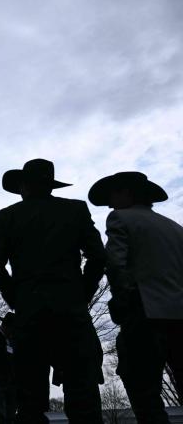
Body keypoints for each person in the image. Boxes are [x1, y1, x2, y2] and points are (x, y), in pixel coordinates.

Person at [0, 158, 106, 424]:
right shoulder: (75, 210)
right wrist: (82, 293)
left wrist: (16, 297)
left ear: (24, 187)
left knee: (29, 398)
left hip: (30, 313)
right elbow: (98, 256)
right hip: (71, 309)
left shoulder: (8, 216)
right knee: (82, 391)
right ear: (50, 185)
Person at [88, 171, 183, 424]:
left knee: (144, 393)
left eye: (113, 194)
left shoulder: (120, 218)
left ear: (127, 193)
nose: (109, 203)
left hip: (145, 315)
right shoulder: (175, 228)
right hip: (180, 318)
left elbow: (116, 265)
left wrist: (122, 301)